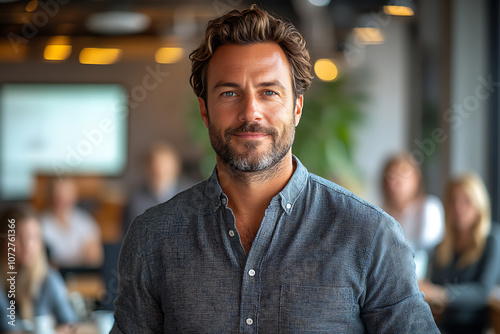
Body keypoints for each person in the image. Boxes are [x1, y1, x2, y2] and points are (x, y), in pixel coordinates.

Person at [111, 5, 439, 333]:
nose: (250, 111)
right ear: (205, 111)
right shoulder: (153, 238)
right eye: (229, 92)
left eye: (269, 92)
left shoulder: (369, 236)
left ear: (296, 107)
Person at [419, 173, 500, 334]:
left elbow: (482, 291)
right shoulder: (441, 246)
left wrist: (439, 293)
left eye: (466, 201)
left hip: (473, 327)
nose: (458, 207)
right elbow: (431, 287)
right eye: (453, 200)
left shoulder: (491, 239)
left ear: (479, 205)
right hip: (441, 324)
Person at [0, 205, 78, 333]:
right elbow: (9, 328)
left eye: (33, 237)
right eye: (18, 236)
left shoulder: (49, 278)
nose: (27, 245)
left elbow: (72, 325)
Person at [381, 153, 445, 252]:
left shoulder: (429, 207)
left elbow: (426, 251)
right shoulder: (381, 212)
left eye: (401, 176)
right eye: (390, 177)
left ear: (416, 178)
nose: (393, 183)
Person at [122, 142, 189, 234]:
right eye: (155, 167)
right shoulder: (136, 200)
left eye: (165, 167)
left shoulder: (190, 196)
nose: (160, 171)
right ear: (147, 169)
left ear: (175, 167)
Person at [40, 177, 103, 270]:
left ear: (74, 196)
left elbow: (95, 257)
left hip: (81, 276)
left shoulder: (85, 222)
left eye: (66, 194)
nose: (62, 199)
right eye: (58, 195)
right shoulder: (40, 223)